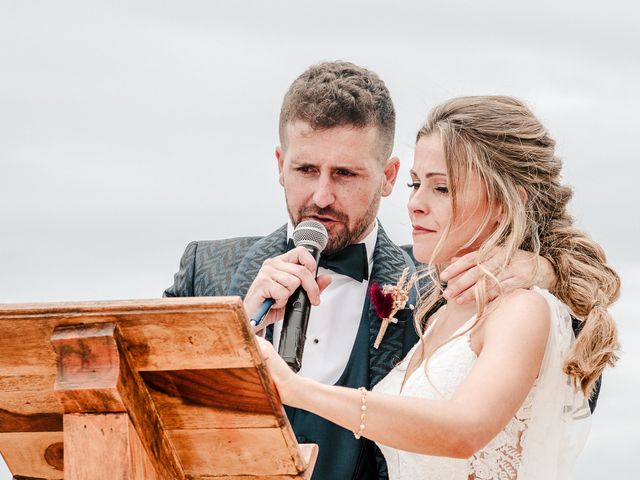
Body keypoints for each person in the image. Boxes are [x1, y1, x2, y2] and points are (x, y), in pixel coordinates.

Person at [165, 62, 558, 480]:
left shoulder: (442, 285)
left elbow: (551, 400)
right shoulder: (204, 272)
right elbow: (146, 409)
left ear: (387, 177)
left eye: (345, 174)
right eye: (305, 170)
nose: (321, 195)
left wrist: (542, 267)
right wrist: (236, 332)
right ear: (280, 165)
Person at [253, 95, 620, 479]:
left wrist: (296, 389)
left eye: (441, 188)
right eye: (415, 184)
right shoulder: (439, 308)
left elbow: (464, 429)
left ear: (505, 202)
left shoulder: (521, 307)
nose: (415, 204)